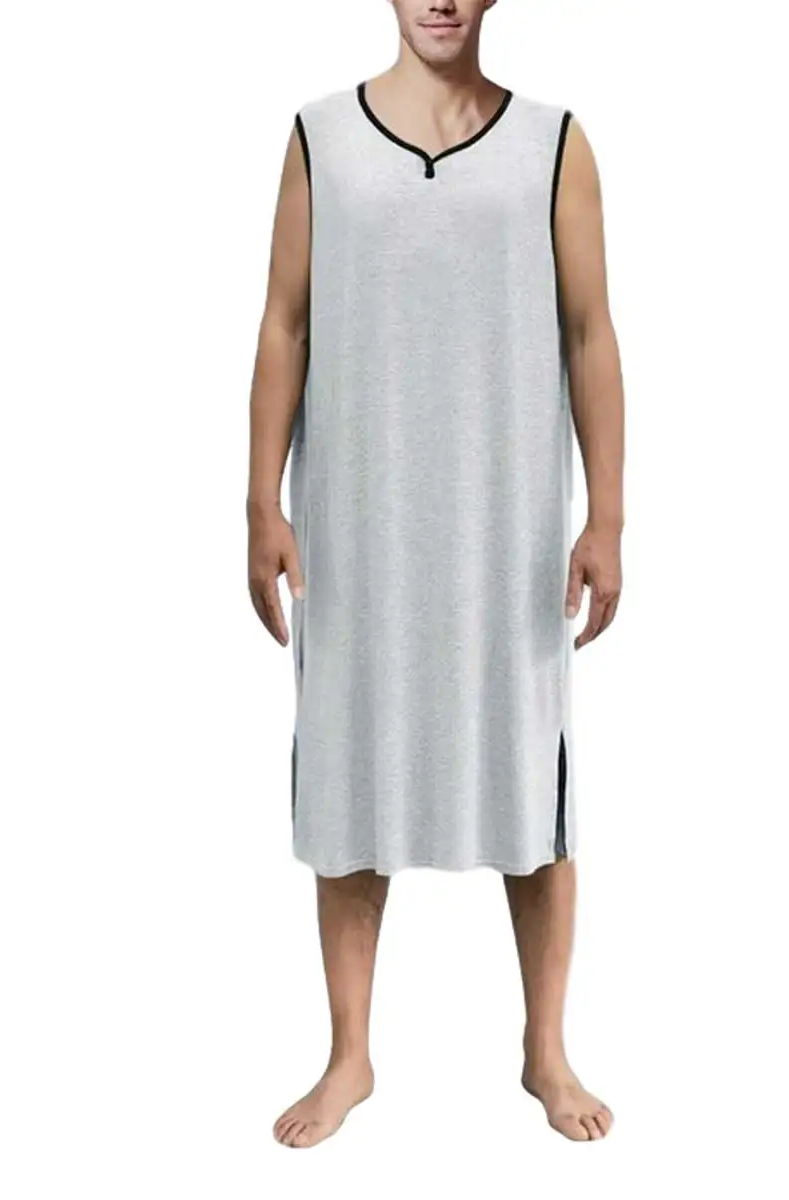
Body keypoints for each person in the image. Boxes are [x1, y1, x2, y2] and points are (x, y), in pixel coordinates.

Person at [246, 0, 624, 1148]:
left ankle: (545, 1049)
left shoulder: (554, 143)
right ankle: (349, 1054)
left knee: (529, 783)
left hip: (507, 534)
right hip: (356, 525)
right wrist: (260, 500)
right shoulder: (320, 136)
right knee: (349, 781)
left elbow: (591, 333)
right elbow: (284, 324)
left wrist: (606, 514)